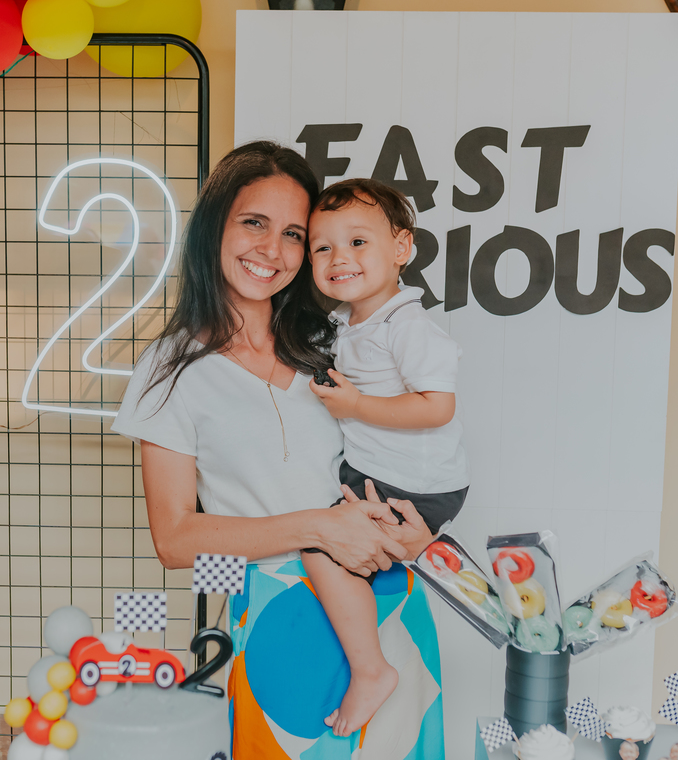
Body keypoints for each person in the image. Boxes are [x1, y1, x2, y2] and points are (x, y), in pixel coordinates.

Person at [111, 142, 445, 759]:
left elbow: (406, 443)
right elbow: (175, 540)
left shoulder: (334, 339)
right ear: (215, 224)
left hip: (389, 598)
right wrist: (319, 528)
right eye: (254, 223)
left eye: (294, 233)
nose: (272, 250)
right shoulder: (169, 370)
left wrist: (416, 529)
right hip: (280, 618)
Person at [302, 179, 469, 736]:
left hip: (414, 483)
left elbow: (436, 407)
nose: (338, 258)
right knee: (329, 539)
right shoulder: (347, 324)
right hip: (380, 472)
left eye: (357, 243)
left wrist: (355, 404)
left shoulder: (406, 326)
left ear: (402, 248)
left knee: (323, 550)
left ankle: (372, 671)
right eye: (323, 247)